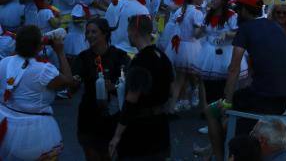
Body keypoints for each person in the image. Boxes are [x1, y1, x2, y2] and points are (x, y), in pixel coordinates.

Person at [205, 0, 286, 161]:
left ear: (244, 10)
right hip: (282, 99)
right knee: (235, 116)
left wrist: (227, 103)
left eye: (237, 9)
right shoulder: (275, 26)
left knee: (211, 110)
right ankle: (214, 151)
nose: (236, 13)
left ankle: (220, 157)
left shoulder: (245, 28)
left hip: (261, 99)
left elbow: (234, 68)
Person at [0, 25, 74, 160]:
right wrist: (60, 52)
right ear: (40, 46)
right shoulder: (43, 70)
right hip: (33, 132)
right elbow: (68, 80)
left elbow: (18, 62)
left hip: (6, 125)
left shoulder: (4, 62)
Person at [109, 15, 174, 160]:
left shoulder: (140, 61)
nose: (127, 35)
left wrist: (117, 135)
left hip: (141, 133)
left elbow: (132, 100)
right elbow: (171, 90)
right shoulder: (162, 56)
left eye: (128, 31)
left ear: (134, 32)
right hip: (161, 129)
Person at [71, 18, 131, 160]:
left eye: (94, 32)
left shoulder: (120, 56)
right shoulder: (83, 57)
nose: (90, 35)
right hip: (89, 116)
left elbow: (129, 86)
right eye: (87, 32)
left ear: (105, 34)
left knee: (108, 156)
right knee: (92, 156)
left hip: (112, 118)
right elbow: (72, 86)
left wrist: (115, 87)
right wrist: (72, 81)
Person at [196, 0, 245, 107]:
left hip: (225, 53)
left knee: (222, 85)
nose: (212, 0)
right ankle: (209, 110)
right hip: (209, 52)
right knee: (208, 84)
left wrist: (227, 34)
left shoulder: (231, 15)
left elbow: (239, 33)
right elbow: (200, 32)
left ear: (223, 1)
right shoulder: (208, 14)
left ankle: (220, 111)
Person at [165, 0, 205, 112]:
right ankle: (200, 104)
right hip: (192, 46)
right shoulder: (197, 12)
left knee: (180, 78)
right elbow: (196, 34)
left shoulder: (180, 10)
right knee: (199, 77)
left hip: (179, 47)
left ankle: (172, 107)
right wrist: (205, 28)